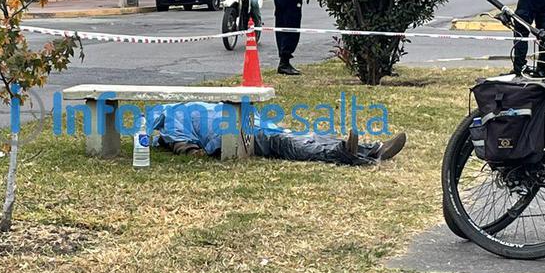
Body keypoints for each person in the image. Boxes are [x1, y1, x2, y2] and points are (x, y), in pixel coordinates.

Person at [152, 101, 407, 165]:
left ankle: (372, 148)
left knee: (298, 137)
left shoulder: (175, 116)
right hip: (241, 134)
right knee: (289, 143)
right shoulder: (172, 128)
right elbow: (189, 150)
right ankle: (346, 152)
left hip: (250, 125)